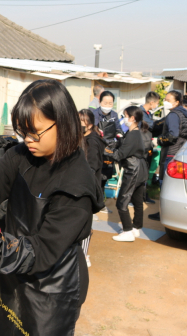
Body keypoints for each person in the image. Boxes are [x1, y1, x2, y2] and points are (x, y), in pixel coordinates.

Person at [0, 80, 99, 335]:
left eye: (34, 132)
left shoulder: (76, 186)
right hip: (14, 270)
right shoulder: (23, 154)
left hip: (51, 287)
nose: (27, 140)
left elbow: (42, 250)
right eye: (22, 131)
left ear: (63, 123)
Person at [104, 106, 148, 242]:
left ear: (132, 118)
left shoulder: (132, 135)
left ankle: (128, 231)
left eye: (125, 116)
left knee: (122, 202)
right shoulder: (137, 133)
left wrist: (106, 150)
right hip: (141, 170)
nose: (124, 119)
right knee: (137, 201)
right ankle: (136, 228)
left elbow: (119, 155)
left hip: (133, 171)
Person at [149, 90, 187, 221]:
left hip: (170, 153)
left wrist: (160, 140)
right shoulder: (185, 114)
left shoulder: (173, 115)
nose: (165, 102)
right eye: (165, 99)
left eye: (168, 100)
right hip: (179, 151)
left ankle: (163, 213)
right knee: (175, 186)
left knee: (165, 184)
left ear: (176, 102)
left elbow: (173, 135)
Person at [79, 109, 107, 267]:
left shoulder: (92, 140)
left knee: (85, 222)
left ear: (88, 123)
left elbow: (93, 165)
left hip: (87, 187)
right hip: (83, 185)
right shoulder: (85, 137)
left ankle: (83, 256)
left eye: (80, 121)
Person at [140, 91, 159, 204]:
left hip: (148, 146)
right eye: (156, 103)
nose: (156, 106)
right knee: (140, 173)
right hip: (142, 147)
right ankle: (138, 196)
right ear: (152, 102)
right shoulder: (141, 113)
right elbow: (152, 125)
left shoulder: (147, 113)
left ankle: (144, 195)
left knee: (145, 173)